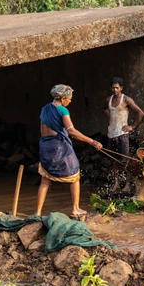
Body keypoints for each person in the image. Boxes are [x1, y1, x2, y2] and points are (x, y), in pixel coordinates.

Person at [36, 84, 102, 219]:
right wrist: (93, 142)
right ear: (62, 98)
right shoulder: (62, 111)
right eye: (69, 99)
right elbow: (72, 131)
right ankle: (75, 209)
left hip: (45, 145)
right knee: (75, 175)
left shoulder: (44, 109)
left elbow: (42, 129)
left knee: (45, 179)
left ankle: (37, 212)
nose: (70, 101)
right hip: (59, 146)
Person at [103, 77, 144, 194]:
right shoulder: (108, 100)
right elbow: (104, 109)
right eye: (113, 87)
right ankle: (116, 183)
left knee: (126, 160)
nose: (115, 90)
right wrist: (109, 118)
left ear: (121, 88)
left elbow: (140, 113)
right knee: (114, 160)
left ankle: (127, 184)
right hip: (111, 134)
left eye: (117, 87)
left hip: (123, 134)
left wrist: (132, 126)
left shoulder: (126, 99)